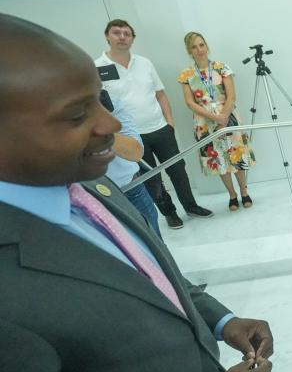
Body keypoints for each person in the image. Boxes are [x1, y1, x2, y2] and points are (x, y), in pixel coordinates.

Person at [0, 13, 274, 372]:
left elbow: (146, 276)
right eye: (77, 115)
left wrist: (221, 320)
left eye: (100, 103)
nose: (110, 126)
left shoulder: (91, 182)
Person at [95, 19, 212, 230]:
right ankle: (170, 214)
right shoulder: (97, 68)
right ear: (107, 36)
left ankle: (191, 205)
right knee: (151, 178)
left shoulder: (145, 63)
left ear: (132, 38)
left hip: (159, 128)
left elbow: (160, 94)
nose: (122, 37)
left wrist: (170, 123)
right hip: (131, 136)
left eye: (126, 33)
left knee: (178, 169)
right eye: (116, 33)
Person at [178, 32, 256, 211]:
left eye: (201, 45)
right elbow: (190, 102)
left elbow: (232, 96)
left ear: (207, 46)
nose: (199, 50)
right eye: (194, 47)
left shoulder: (221, 67)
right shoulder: (186, 74)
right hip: (205, 123)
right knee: (219, 159)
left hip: (228, 116)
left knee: (236, 156)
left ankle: (244, 192)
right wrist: (214, 118)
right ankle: (232, 195)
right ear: (189, 51)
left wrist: (224, 117)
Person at [101, 89, 162, 236]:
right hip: (88, 196)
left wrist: (95, 124)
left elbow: (135, 152)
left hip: (131, 189)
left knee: (155, 245)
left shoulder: (108, 101)